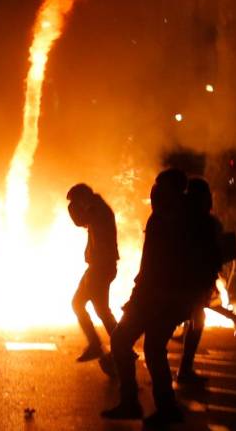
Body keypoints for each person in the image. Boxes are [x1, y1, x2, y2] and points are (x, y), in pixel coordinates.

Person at [103, 169, 202, 426]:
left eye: (160, 187)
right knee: (151, 348)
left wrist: (138, 296)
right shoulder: (184, 219)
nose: (155, 191)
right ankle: (161, 406)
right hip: (171, 298)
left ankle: (135, 403)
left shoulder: (165, 220)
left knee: (123, 340)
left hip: (157, 297)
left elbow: (154, 266)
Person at [177, 177, 236, 385]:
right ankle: (233, 318)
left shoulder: (200, 221)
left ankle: (185, 369)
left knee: (197, 314)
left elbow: (206, 249)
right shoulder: (203, 220)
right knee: (196, 312)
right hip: (197, 275)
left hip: (198, 275)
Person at [66, 183, 119, 363]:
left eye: (76, 202)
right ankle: (105, 344)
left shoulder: (97, 209)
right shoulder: (98, 208)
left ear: (82, 198)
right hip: (98, 266)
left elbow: (80, 221)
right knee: (83, 305)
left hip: (100, 267)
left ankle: (120, 345)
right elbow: (83, 221)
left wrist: (72, 210)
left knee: (100, 310)